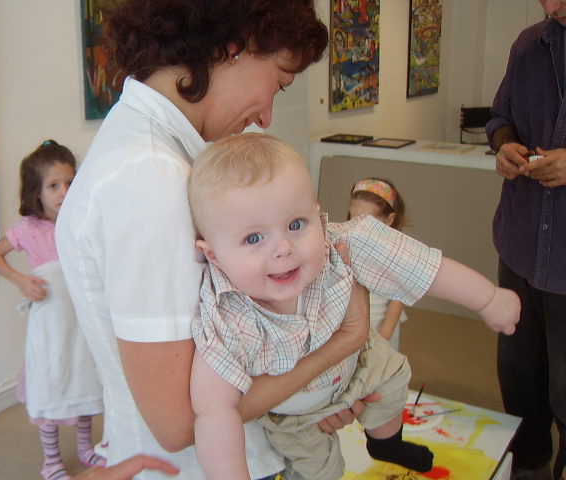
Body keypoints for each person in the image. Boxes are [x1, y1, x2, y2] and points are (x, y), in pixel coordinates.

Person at [56, 1, 372, 478]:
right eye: (279, 83)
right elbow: (180, 421)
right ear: (235, 45)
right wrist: (343, 342)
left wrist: (313, 396)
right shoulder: (151, 178)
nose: (266, 116)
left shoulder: (150, 151)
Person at [187, 133, 520, 480]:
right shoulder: (226, 316)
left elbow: (423, 267)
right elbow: (214, 414)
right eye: (253, 238)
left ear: (319, 216)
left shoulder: (344, 244)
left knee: (394, 375)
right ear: (214, 256)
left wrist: (488, 298)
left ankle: (386, 444)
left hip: (360, 364)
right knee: (321, 472)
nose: (283, 248)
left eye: (296, 224)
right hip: (294, 418)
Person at [0, 141, 105, 480]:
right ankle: (51, 461)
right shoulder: (27, 229)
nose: (64, 192)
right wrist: (21, 281)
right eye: (54, 186)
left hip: (81, 320)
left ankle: (85, 447)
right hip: (51, 324)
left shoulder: (80, 221)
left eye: (70, 182)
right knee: (51, 384)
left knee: (85, 379)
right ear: (36, 193)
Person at [486, 2, 566, 479]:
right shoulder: (528, 45)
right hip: (519, 247)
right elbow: (499, 119)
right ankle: (529, 467)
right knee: (519, 384)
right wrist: (504, 146)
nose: (552, 7)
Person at [347, 178, 407, 350]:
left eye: (367, 222)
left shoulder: (395, 253)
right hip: (351, 327)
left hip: (378, 330)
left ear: (389, 220)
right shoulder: (347, 243)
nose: (358, 227)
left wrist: (382, 339)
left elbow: (397, 301)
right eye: (353, 218)